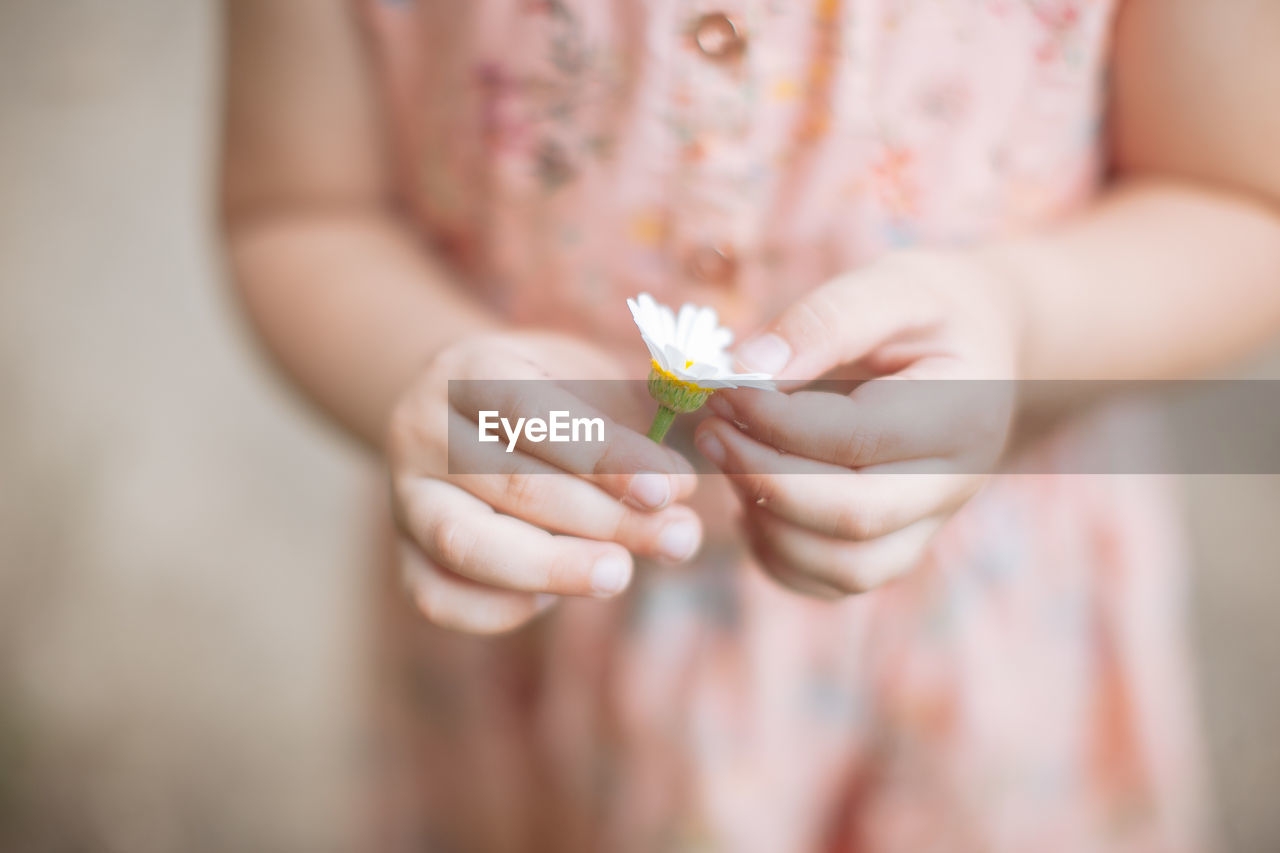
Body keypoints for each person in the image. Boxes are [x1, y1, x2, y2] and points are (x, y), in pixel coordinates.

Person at [220, 1, 1280, 849]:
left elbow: (1240, 203)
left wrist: (1020, 319)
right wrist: (439, 391)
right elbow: (297, 209)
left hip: (976, 620)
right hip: (544, 605)